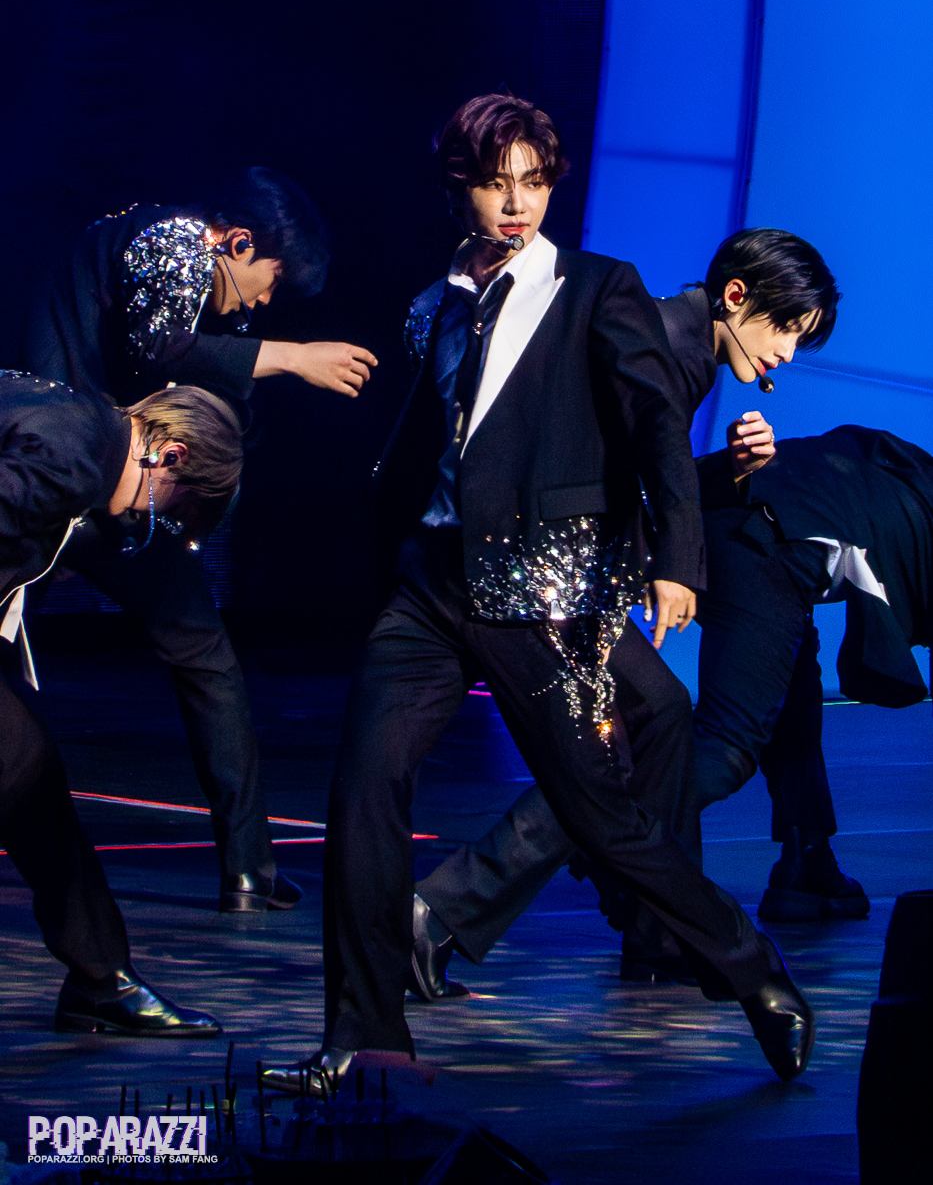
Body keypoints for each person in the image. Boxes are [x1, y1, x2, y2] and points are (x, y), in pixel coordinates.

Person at [262, 95, 815, 1094]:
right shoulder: (434, 304)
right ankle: (367, 1033)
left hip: (540, 595)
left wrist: (678, 556)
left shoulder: (600, 288)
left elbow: (652, 429)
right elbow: (436, 440)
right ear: (459, 191)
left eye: (533, 181)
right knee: (362, 788)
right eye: (494, 182)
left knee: (599, 812)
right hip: (430, 586)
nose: (516, 202)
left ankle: (753, 969)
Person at [409, 227, 843, 993]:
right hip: (540, 572)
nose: (783, 353)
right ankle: (442, 914)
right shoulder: (667, 342)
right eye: (783, 328)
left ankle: (655, 933)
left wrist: (723, 471)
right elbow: (593, 471)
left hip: (550, 564)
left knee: (661, 718)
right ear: (735, 296)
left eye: (797, 340)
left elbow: (623, 471)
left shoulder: (678, 339)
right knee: (626, 740)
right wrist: (673, 566)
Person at [7, 168, 378, 911]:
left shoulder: (180, 273)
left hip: (112, 490)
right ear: (237, 242)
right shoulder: (169, 237)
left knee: (206, 658)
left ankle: (249, 867)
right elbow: (166, 349)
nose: (264, 303)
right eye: (271, 280)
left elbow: (195, 381)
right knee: (200, 661)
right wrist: (291, 356)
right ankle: (248, 868)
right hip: (61, 476)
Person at [0, 372, 243, 1035]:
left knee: (28, 772)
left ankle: (100, 977)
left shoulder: (73, 419)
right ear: (172, 457)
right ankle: (101, 977)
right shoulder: (74, 457)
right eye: (175, 510)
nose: (154, 521)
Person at [691, 424, 933, 922]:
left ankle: (808, 856)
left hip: (728, 518)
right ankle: (581, 826)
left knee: (792, 671)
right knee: (724, 749)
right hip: (759, 543)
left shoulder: (901, 464)